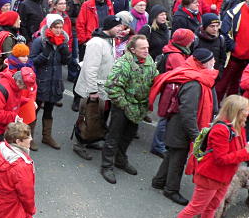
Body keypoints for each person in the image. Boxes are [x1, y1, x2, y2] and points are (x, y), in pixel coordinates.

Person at [166, 95, 249, 218]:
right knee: (196, 207)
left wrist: (244, 151)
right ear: (236, 111)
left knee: (213, 206)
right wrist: (245, 153)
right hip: (210, 176)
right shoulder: (220, 129)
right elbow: (220, 159)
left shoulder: (239, 127)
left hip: (225, 177)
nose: (248, 112)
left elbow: (237, 150)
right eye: (245, 109)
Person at [150, 49, 218, 205]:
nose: (214, 63)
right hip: (180, 128)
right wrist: (196, 136)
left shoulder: (196, 77)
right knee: (177, 160)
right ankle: (171, 190)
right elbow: (188, 113)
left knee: (171, 156)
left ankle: (159, 181)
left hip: (177, 126)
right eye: (212, 60)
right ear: (204, 63)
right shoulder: (194, 83)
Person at [100, 35, 158, 184]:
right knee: (114, 136)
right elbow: (111, 87)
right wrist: (124, 105)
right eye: (143, 48)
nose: (146, 51)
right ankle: (106, 166)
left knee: (129, 135)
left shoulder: (149, 61)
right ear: (133, 49)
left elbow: (154, 77)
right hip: (122, 107)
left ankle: (120, 159)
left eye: (147, 48)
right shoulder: (123, 64)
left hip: (138, 107)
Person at [73, 15, 124, 160]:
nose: (120, 29)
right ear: (109, 27)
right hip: (93, 90)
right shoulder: (96, 43)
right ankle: (79, 144)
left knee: (97, 118)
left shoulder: (110, 40)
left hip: (103, 89)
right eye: (117, 26)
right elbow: (90, 69)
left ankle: (90, 140)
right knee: (86, 117)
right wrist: (92, 91)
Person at [30, 14, 70, 149]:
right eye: (56, 27)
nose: (59, 30)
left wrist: (66, 54)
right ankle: (28, 137)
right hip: (42, 80)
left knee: (49, 110)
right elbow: (31, 62)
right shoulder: (40, 41)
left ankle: (47, 136)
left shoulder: (62, 42)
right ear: (49, 27)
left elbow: (65, 62)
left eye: (60, 27)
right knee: (34, 110)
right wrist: (44, 55)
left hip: (55, 80)